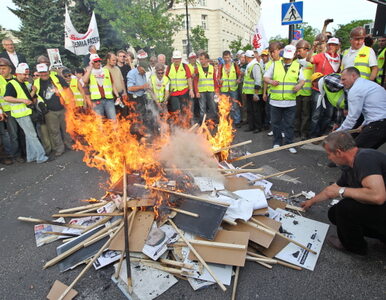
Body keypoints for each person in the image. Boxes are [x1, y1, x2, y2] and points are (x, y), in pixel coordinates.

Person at [301, 131, 386, 256]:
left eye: (329, 154)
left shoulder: (365, 158)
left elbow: (378, 196)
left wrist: (342, 191)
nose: (329, 158)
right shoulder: (350, 165)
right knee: (334, 213)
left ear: (339, 152)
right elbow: (332, 190)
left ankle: (355, 247)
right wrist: (311, 201)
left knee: (344, 208)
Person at [4, 63, 49, 163]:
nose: (27, 77)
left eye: (27, 75)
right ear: (17, 74)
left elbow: (27, 97)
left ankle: (31, 157)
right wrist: (22, 101)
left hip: (26, 112)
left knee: (29, 136)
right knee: (32, 135)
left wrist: (33, 92)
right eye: (25, 75)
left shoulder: (22, 83)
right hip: (21, 114)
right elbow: (7, 98)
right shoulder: (12, 84)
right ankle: (41, 157)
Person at [264, 45, 305, 153]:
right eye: (286, 57)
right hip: (275, 101)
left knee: (289, 124)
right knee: (275, 123)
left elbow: (302, 80)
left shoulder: (298, 66)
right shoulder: (275, 64)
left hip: (290, 101)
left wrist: (299, 86)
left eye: (289, 57)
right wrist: (271, 82)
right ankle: (277, 142)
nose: (287, 59)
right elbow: (265, 77)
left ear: (294, 55)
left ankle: (289, 143)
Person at [336, 67, 386, 149]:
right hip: (380, 123)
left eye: (344, 79)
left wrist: (338, 132)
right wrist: (364, 124)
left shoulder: (356, 90)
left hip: (379, 125)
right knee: (367, 153)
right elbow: (374, 110)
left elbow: (352, 118)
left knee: (352, 153)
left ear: (353, 76)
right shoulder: (368, 84)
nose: (341, 82)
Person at [32, 63, 73, 157]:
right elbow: (35, 97)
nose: (43, 74)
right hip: (49, 111)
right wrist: (40, 105)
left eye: (45, 72)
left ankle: (69, 144)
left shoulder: (57, 78)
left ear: (48, 71)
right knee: (54, 131)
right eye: (41, 73)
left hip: (63, 108)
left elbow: (67, 89)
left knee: (66, 128)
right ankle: (59, 148)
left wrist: (70, 103)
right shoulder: (36, 83)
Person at [0, 58, 26, 164]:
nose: (1, 71)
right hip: (8, 112)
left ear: (10, 69)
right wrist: (1, 111)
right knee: (13, 135)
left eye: (4, 68)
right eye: (0, 69)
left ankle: (25, 153)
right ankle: (17, 155)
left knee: (22, 133)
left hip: (20, 110)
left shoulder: (17, 79)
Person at [83, 54, 120, 120]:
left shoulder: (106, 71)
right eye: (95, 61)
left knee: (113, 119)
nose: (98, 63)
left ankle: (115, 131)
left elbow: (112, 85)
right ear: (92, 62)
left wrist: (117, 96)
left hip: (109, 100)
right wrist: (90, 68)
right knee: (99, 122)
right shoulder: (89, 72)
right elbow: (85, 81)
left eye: (99, 61)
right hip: (96, 101)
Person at [165, 50, 194, 125]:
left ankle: (186, 124)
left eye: (178, 59)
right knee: (176, 110)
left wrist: (191, 90)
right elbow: (166, 80)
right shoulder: (169, 67)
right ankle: (178, 125)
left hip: (184, 92)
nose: (177, 60)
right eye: (175, 58)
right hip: (174, 93)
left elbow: (189, 78)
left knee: (185, 110)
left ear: (181, 59)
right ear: (173, 59)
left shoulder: (185, 66)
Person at [295, 40, 314, 140]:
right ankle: (296, 131)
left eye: (300, 51)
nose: (298, 53)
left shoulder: (312, 60)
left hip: (307, 92)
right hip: (297, 93)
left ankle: (303, 133)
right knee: (296, 113)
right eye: (297, 51)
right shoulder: (295, 61)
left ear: (307, 50)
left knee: (305, 114)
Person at [242, 50, 264, 133]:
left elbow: (258, 80)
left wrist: (256, 94)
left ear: (247, 57)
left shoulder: (255, 66)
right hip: (249, 92)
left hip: (254, 93)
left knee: (256, 111)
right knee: (250, 110)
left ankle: (258, 127)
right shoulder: (250, 65)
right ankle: (251, 126)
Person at [218, 50, 242, 127]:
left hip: (233, 88)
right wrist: (219, 80)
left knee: (235, 105)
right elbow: (218, 76)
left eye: (228, 57)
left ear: (230, 57)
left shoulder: (234, 65)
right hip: (224, 90)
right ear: (223, 58)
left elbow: (239, 74)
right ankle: (226, 121)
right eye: (225, 57)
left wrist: (239, 79)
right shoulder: (221, 66)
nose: (226, 59)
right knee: (225, 106)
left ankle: (237, 121)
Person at [126, 55, 150, 125]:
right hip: (134, 99)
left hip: (141, 98)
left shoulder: (144, 73)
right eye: (143, 70)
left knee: (144, 116)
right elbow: (130, 88)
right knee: (136, 117)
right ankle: (136, 134)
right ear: (139, 67)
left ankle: (143, 131)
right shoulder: (132, 73)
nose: (144, 72)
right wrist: (142, 87)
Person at [196, 52, 218, 124]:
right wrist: (197, 91)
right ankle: (202, 123)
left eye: (202, 59)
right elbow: (195, 81)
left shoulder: (212, 68)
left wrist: (216, 90)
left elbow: (214, 80)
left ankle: (213, 121)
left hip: (211, 91)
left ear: (206, 59)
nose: (201, 61)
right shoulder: (197, 69)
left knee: (213, 107)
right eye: (200, 59)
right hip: (201, 91)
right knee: (202, 108)